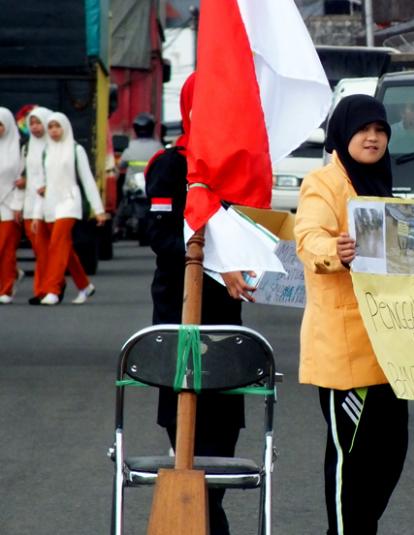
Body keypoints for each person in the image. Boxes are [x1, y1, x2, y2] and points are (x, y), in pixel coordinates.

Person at [294, 94, 414, 535]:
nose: (373, 138)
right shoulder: (323, 184)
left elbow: (410, 269)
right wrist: (333, 251)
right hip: (348, 355)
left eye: (380, 131)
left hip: (394, 353)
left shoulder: (383, 190)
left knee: (389, 456)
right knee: (350, 463)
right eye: (363, 130)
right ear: (343, 135)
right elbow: (307, 239)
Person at [144, 72, 250, 535]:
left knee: (222, 443)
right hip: (179, 316)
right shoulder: (170, 165)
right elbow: (159, 236)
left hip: (227, 323)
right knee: (186, 437)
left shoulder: (237, 170)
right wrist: (209, 261)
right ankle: (200, 522)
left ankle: (204, 518)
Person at [36, 112, 107, 305]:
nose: (54, 131)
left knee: (57, 245)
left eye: (57, 126)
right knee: (65, 249)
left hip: (70, 202)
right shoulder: (46, 151)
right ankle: (84, 286)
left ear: (65, 127)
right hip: (51, 203)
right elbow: (43, 179)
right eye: (50, 127)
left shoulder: (76, 150)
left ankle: (52, 289)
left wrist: (98, 209)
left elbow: (87, 179)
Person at [14, 106, 52, 303]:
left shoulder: (52, 146)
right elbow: (23, 177)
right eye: (32, 123)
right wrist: (18, 206)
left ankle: (45, 289)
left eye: (38, 123)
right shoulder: (27, 148)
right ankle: (48, 287)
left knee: (46, 249)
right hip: (30, 205)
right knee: (39, 250)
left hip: (49, 206)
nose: (35, 127)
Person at [114, 112, 163, 240]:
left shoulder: (130, 146)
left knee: (122, 206)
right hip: (151, 185)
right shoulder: (158, 147)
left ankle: (116, 227)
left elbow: (121, 165)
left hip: (133, 186)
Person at [0, 107, 23, 304]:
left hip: (9, 206)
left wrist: (18, 205)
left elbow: (22, 180)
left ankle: (6, 290)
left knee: (5, 249)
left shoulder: (19, 149)